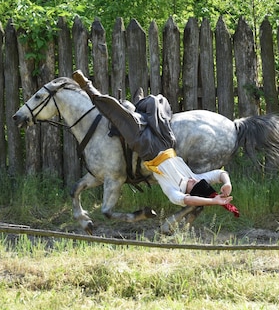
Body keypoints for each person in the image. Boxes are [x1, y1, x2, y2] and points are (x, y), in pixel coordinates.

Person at [72, 70, 239, 216]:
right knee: (156, 101)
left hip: (148, 149)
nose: (194, 180)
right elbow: (219, 174)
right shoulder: (194, 177)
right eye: (197, 182)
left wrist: (214, 202)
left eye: (194, 185)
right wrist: (227, 184)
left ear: (189, 192)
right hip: (167, 143)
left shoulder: (174, 191)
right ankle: (140, 105)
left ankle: (88, 88)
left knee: (120, 117)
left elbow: (189, 200)